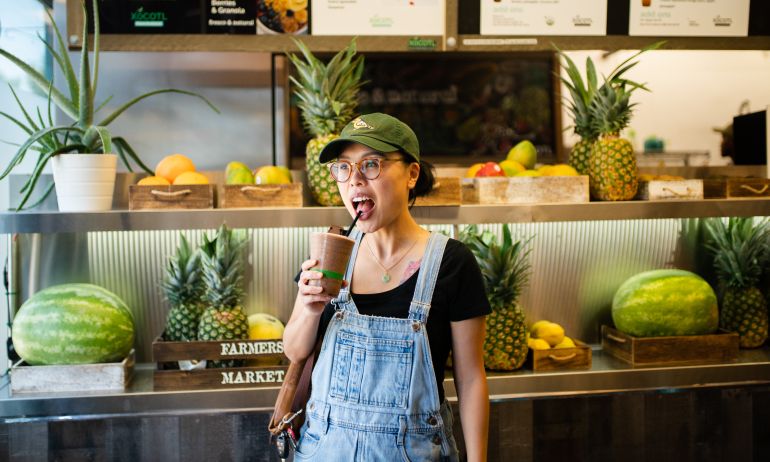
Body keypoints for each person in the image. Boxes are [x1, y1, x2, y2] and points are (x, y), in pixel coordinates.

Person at [284, 113, 490, 461]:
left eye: (372, 164)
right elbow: (294, 352)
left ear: (411, 174)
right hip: (324, 450)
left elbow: (471, 379)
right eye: (344, 168)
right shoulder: (329, 253)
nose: (355, 181)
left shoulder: (452, 263)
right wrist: (307, 308)